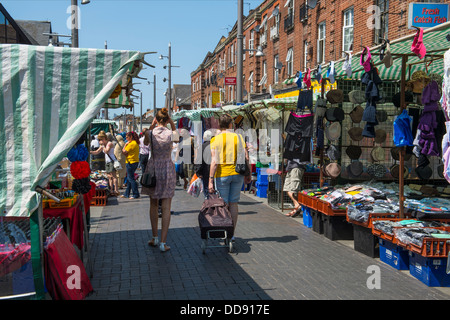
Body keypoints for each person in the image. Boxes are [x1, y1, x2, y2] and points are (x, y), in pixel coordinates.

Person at [208, 114, 251, 241]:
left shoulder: (215, 139)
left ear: (219, 125)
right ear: (231, 124)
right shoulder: (238, 137)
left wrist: (210, 180)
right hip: (237, 174)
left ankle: (225, 231)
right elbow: (246, 157)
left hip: (222, 175)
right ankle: (231, 234)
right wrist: (248, 174)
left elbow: (214, 161)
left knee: (224, 204)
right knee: (234, 204)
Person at [142, 108, 178, 252]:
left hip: (153, 167)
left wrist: (151, 126)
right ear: (167, 119)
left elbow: (145, 143)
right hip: (167, 168)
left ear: (156, 119)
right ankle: (163, 243)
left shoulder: (150, 133)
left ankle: (155, 237)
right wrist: (172, 123)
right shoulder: (170, 133)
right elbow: (177, 138)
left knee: (153, 204)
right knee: (166, 206)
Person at [90, 130, 119, 196]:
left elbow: (106, 151)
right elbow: (97, 152)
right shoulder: (103, 145)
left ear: (105, 138)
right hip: (107, 162)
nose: (100, 141)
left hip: (112, 161)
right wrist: (90, 151)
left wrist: (103, 146)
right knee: (109, 176)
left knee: (114, 176)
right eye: (99, 140)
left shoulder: (109, 143)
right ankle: (111, 190)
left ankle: (116, 190)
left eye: (101, 139)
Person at [194, 130, 216, 199]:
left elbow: (199, 161)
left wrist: (198, 172)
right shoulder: (214, 146)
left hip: (205, 172)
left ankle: (209, 204)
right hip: (215, 172)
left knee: (207, 190)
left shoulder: (202, 147)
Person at [121, 131, 140, 199]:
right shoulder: (135, 143)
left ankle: (136, 193)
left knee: (131, 178)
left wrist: (125, 145)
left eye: (127, 137)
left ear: (131, 137)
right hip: (134, 161)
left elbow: (124, 151)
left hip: (130, 162)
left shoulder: (131, 144)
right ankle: (127, 193)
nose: (126, 138)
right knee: (129, 178)